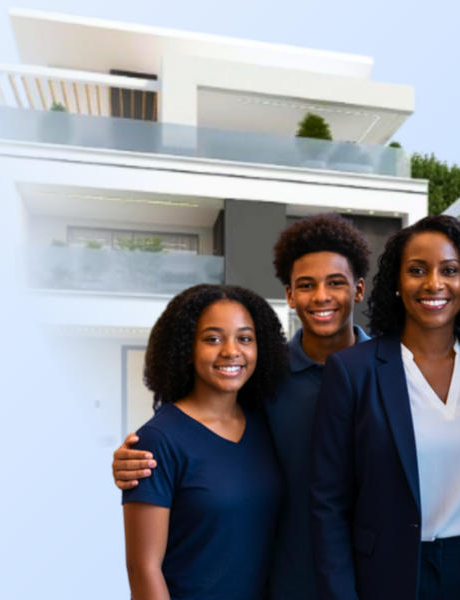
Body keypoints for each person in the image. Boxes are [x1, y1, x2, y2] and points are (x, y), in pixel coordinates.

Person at [113, 214, 373, 598]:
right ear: (289, 295)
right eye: (306, 285)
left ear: (359, 289)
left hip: (373, 578)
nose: (320, 296)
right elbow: (198, 436)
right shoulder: (267, 384)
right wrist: (131, 459)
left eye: (335, 282)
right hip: (288, 585)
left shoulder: (392, 374)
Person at [310, 215, 460, 600]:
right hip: (390, 572)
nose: (434, 283)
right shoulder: (353, 371)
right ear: (397, 285)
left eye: (449, 270)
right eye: (417, 270)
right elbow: (327, 504)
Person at [122, 284, 288, 600]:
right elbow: (143, 568)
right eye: (212, 339)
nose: (231, 351)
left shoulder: (266, 425)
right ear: (186, 348)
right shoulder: (157, 441)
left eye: (245, 338)